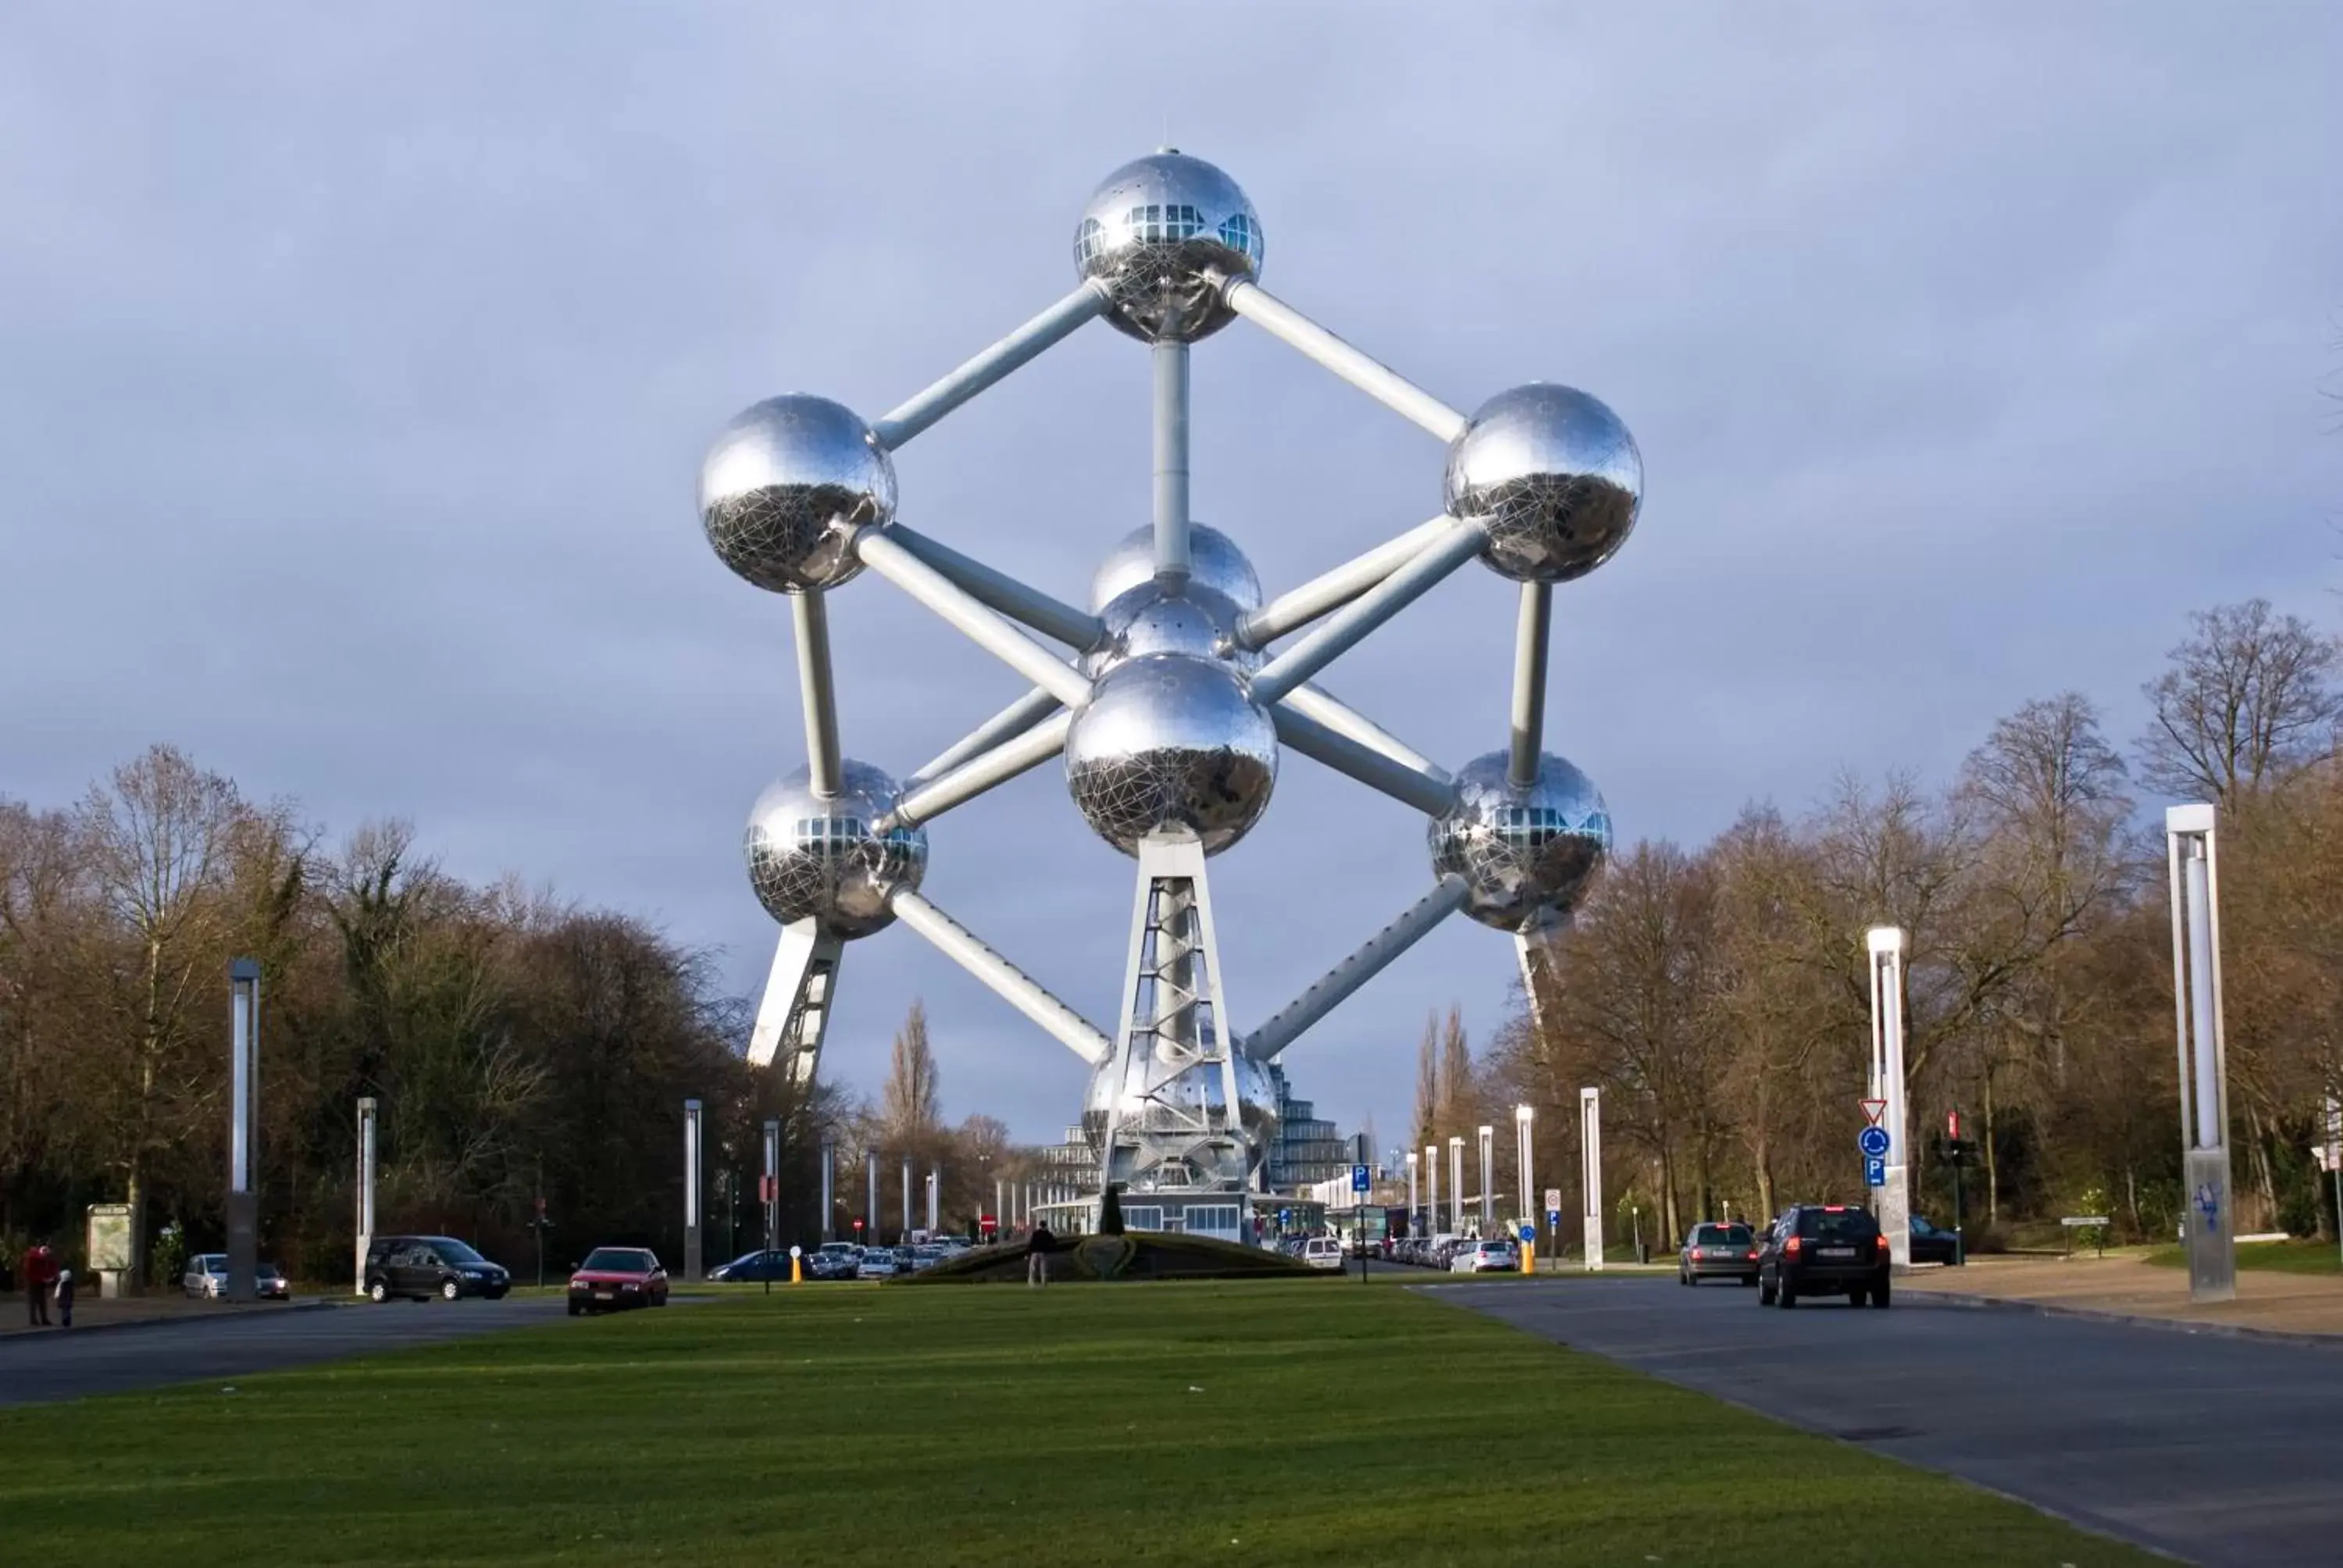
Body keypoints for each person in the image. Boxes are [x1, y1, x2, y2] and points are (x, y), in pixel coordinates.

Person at [22, 1243, 55, 1327]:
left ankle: (41, 1319)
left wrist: (48, 1278)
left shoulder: (41, 1259)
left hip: (40, 1283)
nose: (46, 1255)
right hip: (33, 1283)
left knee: (41, 1302)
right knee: (34, 1302)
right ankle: (35, 1320)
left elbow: (46, 1270)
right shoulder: (33, 1258)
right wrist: (43, 1278)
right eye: (45, 1252)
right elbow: (30, 1273)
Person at [1025, 1222, 1056, 1288]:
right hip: (1044, 1253)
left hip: (1035, 1253)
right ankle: (1044, 1283)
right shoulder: (1048, 1234)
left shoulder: (1036, 1233)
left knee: (1032, 1268)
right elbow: (1054, 1242)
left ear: (1039, 1226)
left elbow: (1031, 1244)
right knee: (1044, 1269)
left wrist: (1028, 1254)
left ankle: (1031, 1282)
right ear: (1045, 1226)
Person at [53, 1264, 73, 1329]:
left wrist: (59, 1298)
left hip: (64, 1300)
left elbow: (61, 1292)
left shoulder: (64, 1284)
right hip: (68, 1300)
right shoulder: (68, 1284)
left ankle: (65, 1322)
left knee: (65, 1312)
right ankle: (67, 1322)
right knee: (67, 1311)